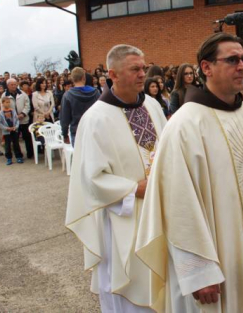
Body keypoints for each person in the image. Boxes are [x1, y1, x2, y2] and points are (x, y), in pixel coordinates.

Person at [136, 32, 243, 313]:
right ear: (206, 68)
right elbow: (177, 203)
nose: (242, 66)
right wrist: (199, 272)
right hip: (218, 263)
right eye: (232, 60)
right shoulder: (185, 125)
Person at [65, 44, 167, 312]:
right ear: (113, 74)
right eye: (135, 69)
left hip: (158, 210)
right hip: (122, 215)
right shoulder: (95, 119)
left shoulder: (153, 105)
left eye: (143, 68)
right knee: (127, 286)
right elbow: (90, 178)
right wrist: (134, 189)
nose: (142, 74)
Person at [60, 67, 100, 146]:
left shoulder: (67, 95)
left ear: (72, 79)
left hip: (77, 132)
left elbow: (64, 118)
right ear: (84, 77)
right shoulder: (96, 93)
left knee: (80, 157)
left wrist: (65, 134)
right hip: (94, 130)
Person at [2, 78, 33, 159]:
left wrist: (23, 114)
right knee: (15, 139)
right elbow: (3, 107)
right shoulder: (4, 95)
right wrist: (13, 117)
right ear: (8, 85)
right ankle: (19, 155)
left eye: (15, 84)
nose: (13, 86)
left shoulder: (23, 93)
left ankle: (30, 153)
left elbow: (27, 105)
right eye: (11, 84)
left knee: (27, 137)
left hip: (24, 119)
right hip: (13, 121)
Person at [0, 97, 23, 165]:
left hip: (14, 130)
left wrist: (16, 127)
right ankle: (9, 158)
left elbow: (17, 120)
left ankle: (19, 156)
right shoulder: (1, 113)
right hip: (7, 131)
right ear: (3, 103)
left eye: (9, 102)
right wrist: (6, 128)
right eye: (6, 102)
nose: (8, 104)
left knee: (16, 144)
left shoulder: (13, 111)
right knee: (7, 145)